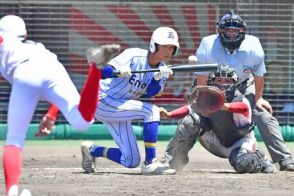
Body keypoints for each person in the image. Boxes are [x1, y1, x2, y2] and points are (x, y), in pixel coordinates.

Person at [0, 14, 118, 195]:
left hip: (24, 71)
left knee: (14, 140)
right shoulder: (32, 46)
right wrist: (52, 113)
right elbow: (46, 82)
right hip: (51, 65)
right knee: (82, 121)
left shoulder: (3, 42)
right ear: (24, 34)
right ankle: (95, 67)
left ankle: (11, 192)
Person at [39, 26, 179, 175]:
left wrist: (157, 78)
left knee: (131, 160)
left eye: (171, 48)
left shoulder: (163, 69)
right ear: (154, 45)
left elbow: (152, 92)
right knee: (151, 111)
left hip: (119, 108)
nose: (168, 51)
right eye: (164, 46)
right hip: (102, 100)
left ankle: (92, 150)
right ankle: (150, 163)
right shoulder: (134, 55)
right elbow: (101, 72)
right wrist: (116, 72)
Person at [193, 11, 294, 171]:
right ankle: (170, 160)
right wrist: (204, 98)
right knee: (191, 118)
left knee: (262, 114)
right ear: (221, 30)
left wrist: (259, 98)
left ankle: (285, 159)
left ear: (243, 31)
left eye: (236, 29)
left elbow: (259, 75)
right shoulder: (208, 44)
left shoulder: (253, 46)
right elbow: (201, 76)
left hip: (243, 83)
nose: (232, 32)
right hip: (213, 85)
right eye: (228, 29)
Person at [161, 66, 276, 173]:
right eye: (219, 80)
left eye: (228, 81)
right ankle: (174, 161)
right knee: (189, 121)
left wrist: (223, 106)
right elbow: (189, 108)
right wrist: (169, 114)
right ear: (212, 82)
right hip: (214, 140)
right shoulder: (208, 97)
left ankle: (260, 158)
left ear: (235, 83)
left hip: (238, 144)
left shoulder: (240, 99)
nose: (223, 84)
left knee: (243, 164)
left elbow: (243, 108)